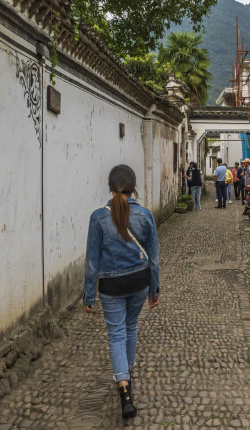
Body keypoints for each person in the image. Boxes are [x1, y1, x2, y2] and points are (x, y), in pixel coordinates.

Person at [83, 165, 160, 420]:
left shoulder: (98, 217)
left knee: (116, 334)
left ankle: (124, 388)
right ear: (134, 186)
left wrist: (88, 295)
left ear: (110, 187)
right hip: (139, 282)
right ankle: (127, 372)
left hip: (111, 285)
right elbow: (154, 258)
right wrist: (154, 287)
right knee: (130, 327)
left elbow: (92, 260)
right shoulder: (145, 215)